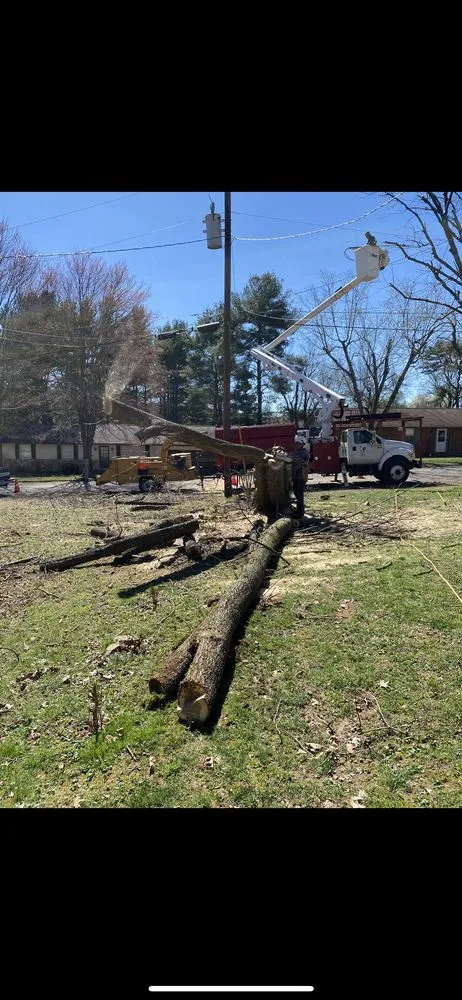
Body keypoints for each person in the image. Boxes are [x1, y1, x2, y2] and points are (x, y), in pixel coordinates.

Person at [292, 435, 310, 518]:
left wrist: (291, 459)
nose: (296, 445)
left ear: (302, 444)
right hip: (295, 477)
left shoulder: (304, 453)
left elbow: (302, 461)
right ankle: (299, 511)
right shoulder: (296, 452)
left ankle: (300, 513)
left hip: (300, 477)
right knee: (296, 494)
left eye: (298, 443)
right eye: (296, 443)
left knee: (299, 495)